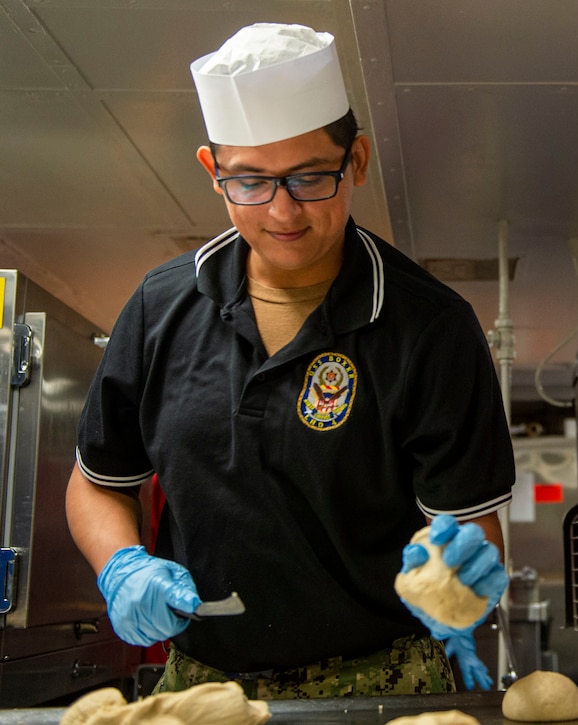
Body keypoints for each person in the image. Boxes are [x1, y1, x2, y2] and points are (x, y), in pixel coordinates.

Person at [65, 22, 515, 699]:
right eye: (249, 181)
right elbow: (98, 478)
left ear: (357, 160)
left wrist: (459, 579)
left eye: (310, 177)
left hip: (383, 683)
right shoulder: (161, 308)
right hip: (201, 687)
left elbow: (470, 528)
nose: (282, 210)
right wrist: (122, 563)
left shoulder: (428, 326)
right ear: (212, 172)